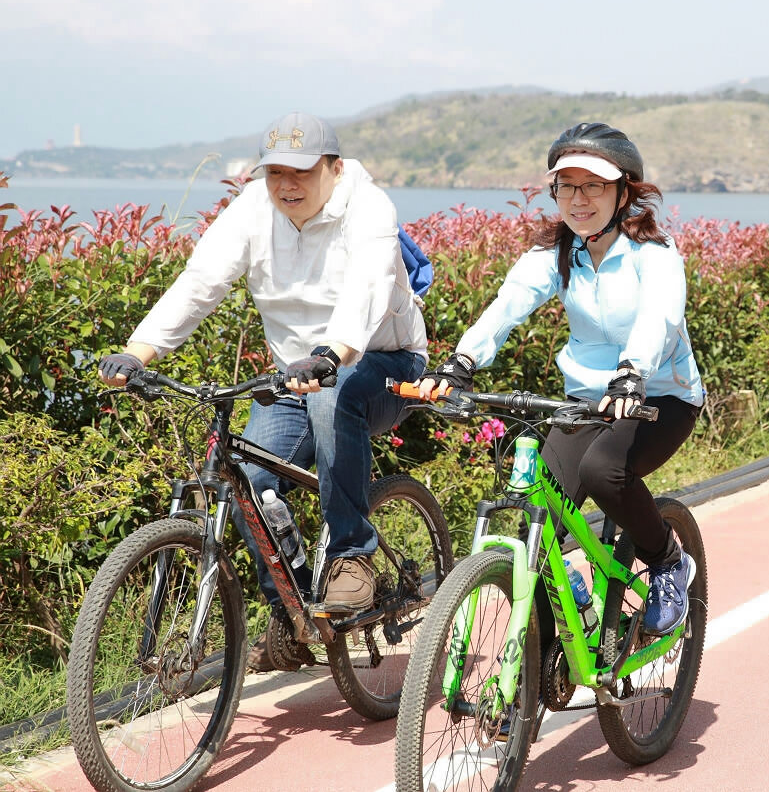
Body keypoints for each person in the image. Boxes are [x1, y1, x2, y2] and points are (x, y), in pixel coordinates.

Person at [98, 112, 430, 663]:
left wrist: (332, 355)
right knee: (248, 478)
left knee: (333, 394)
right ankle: (290, 610)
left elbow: (368, 291)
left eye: (300, 172)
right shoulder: (254, 208)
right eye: (274, 172)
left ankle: (352, 554)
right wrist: (139, 351)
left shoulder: (369, 207)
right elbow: (202, 282)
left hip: (383, 361)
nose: (286, 185)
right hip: (295, 376)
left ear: (335, 168)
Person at [418, 121, 705, 635]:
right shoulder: (556, 255)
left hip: (660, 395)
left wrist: (633, 373)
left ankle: (665, 560)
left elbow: (658, 319)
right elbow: (507, 306)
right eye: (567, 185)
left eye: (593, 185)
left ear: (623, 192)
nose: (578, 198)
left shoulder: (654, 256)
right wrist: (460, 363)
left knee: (603, 472)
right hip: (587, 401)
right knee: (538, 510)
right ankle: (569, 601)